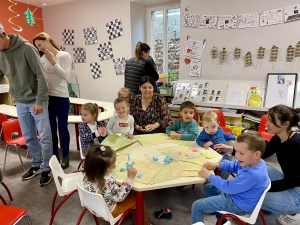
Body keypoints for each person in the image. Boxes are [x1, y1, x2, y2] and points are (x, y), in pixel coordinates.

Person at [0, 23, 52, 186]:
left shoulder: (27, 49)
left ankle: (47, 168)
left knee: (44, 136)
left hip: (37, 100)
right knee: (29, 136)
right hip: (20, 101)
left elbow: (41, 77)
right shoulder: (0, 54)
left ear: (2, 36)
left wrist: (39, 100)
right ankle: (36, 165)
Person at [191, 132, 270, 224]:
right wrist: (217, 164)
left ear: (256, 154)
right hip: (239, 196)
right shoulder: (255, 162)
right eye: (236, 151)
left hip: (237, 204)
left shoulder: (253, 174)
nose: (236, 155)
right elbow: (234, 165)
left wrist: (209, 175)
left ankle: (220, 215)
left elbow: (228, 188)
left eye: (241, 153)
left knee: (197, 206)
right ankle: (223, 220)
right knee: (209, 188)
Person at [83, 144, 153, 225]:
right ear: (100, 170)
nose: (115, 166)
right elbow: (120, 197)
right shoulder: (107, 182)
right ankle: (144, 223)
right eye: (111, 167)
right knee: (137, 200)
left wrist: (119, 186)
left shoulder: (87, 173)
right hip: (109, 212)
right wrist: (130, 178)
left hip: (94, 207)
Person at [33, 32, 72, 169]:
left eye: (40, 45)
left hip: (61, 97)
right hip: (47, 98)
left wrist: (53, 61)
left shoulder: (64, 56)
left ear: (48, 40)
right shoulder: (42, 58)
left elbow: (65, 76)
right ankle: (54, 155)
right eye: (37, 46)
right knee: (50, 129)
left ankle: (66, 156)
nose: (39, 48)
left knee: (62, 128)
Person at [260, 105, 300, 225]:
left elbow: (296, 179)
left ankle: (294, 213)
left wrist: (267, 186)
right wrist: (234, 150)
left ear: (285, 124)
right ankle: (275, 204)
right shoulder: (278, 139)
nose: (266, 124)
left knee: (252, 193)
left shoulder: (297, 143)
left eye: (271, 121)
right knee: (261, 166)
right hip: (289, 181)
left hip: (297, 192)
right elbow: (260, 154)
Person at [196, 111, 236, 179]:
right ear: (203, 126)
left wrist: (234, 137)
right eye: (207, 127)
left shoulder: (219, 129)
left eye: (213, 126)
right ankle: (213, 180)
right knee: (205, 167)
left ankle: (220, 182)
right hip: (212, 156)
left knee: (227, 166)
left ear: (218, 124)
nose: (211, 130)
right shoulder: (204, 134)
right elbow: (198, 140)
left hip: (224, 154)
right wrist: (204, 144)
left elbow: (225, 135)